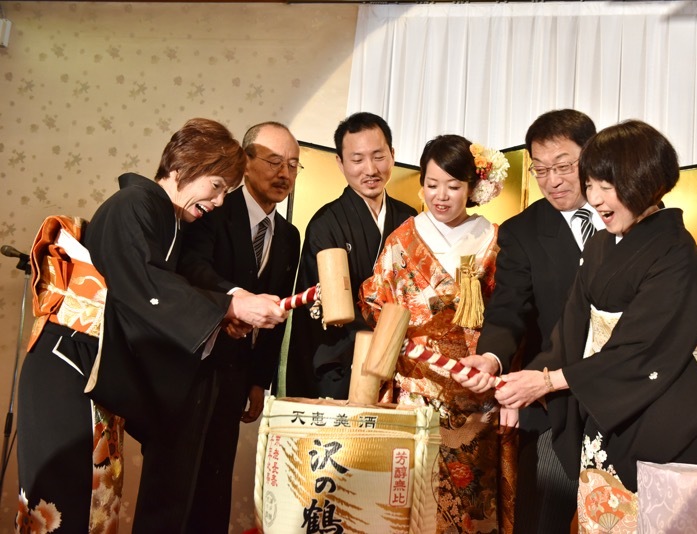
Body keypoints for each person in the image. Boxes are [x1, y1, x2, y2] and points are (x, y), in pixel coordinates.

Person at [16, 118, 287, 534]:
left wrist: (228, 311)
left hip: (94, 372)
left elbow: (175, 289)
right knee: (64, 503)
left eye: (225, 192)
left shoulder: (169, 220)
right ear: (182, 168)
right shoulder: (135, 205)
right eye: (216, 186)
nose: (218, 201)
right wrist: (229, 309)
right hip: (68, 364)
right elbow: (146, 285)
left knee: (96, 504)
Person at [491, 120, 697, 532]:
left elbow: (641, 350)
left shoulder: (678, 256)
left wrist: (547, 383)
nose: (595, 199)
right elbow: (572, 330)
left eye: (606, 186)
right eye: (591, 185)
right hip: (606, 405)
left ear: (644, 181)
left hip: (664, 416)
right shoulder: (601, 245)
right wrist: (526, 383)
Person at [453, 109, 601, 532]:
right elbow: (509, 308)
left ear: (592, 157)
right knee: (540, 523)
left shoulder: (626, 215)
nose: (552, 181)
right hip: (551, 399)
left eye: (563, 167)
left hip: (619, 396)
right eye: (540, 170)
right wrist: (491, 359)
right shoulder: (524, 231)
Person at [360, 134, 513, 533]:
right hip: (417, 385)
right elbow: (376, 302)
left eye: (453, 186)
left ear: (473, 187)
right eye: (431, 184)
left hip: (474, 387)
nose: (441, 196)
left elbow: (510, 314)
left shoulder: (494, 239)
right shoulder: (403, 238)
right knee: (413, 495)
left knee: (473, 500)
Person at [178, 122, 301, 532]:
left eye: (293, 165)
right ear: (246, 162)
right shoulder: (214, 206)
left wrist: (259, 380)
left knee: (217, 478)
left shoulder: (288, 234)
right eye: (274, 161)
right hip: (194, 362)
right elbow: (193, 267)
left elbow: (279, 311)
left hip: (236, 376)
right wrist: (236, 304)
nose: (284, 173)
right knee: (178, 479)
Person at [284, 112, 416, 399]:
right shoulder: (326, 223)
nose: (370, 169)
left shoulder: (409, 219)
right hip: (341, 360)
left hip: (402, 362)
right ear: (340, 164)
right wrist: (384, 345)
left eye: (378, 156)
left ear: (392, 155)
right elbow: (336, 308)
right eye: (357, 160)